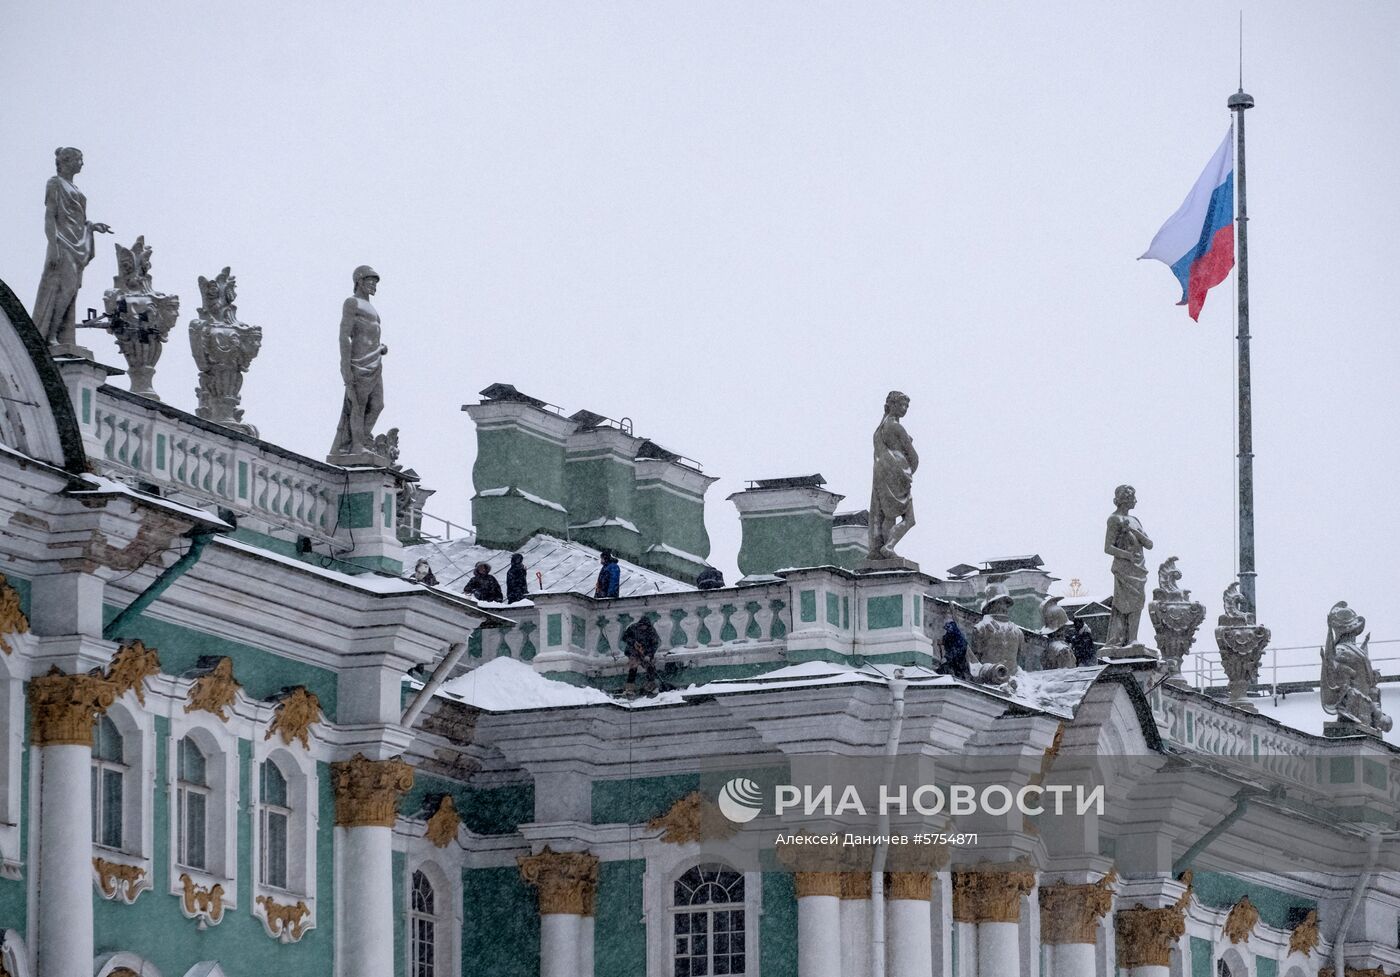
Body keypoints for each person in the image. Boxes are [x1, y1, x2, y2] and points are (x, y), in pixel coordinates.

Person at [34, 147, 111, 346]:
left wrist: (92, 227)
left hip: (78, 243)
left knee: (72, 290)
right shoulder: (55, 183)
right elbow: (50, 216)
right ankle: (50, 335)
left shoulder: (75, 188)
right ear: (67, 161)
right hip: (63, 243)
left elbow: (78, 220)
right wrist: (53, 245)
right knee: (65, 289)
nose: (82, 164)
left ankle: (61, 335)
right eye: (79, 159)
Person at [329, 265, 388, 460]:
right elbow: (344, 335)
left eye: (375, 282)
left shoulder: (374, 309)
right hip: (359, 362)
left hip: (375, 360)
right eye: (370, 281)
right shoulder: (352, 303)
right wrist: (345, 366)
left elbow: (371, 335)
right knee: (358, 404)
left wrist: (381, 347)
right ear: (359, 281)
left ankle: (360, 439)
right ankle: (356, 445)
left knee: (378, 405)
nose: (374, 285)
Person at [868, 390, 918, 559]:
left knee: (886, 513)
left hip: (882, 471)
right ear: (892, 405)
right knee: (909, 519)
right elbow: (913, 455)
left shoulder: (879, 429)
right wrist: (909, 468)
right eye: (901, 404)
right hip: (898, 471)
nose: (905, 408)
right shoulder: (896, 427)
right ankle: (888, 546)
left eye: (907, 406)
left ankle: (881, 547)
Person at [1104, 484, 1153, 647]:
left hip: (1138, 567)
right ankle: (1122, 639)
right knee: (1123, 603)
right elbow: (1108, 547)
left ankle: (1133, 638)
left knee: (1138, 602)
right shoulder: (1114, 519)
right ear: (1124, 499)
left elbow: (1149, 544)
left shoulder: (1135, 520)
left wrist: (1134, 531)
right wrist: (1127, 555)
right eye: (1132, 497)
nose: (1135, 501)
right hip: (1124, 568)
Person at [620, 614, 661, 696]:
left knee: (650, 667)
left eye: (645, 626)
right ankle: (629, 688)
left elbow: (654, 645)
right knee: (633, 667)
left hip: (645, 652)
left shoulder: (651, 631)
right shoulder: (633, 628)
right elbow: (624, 637)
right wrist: (633, 642)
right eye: (642, 626)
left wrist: (648, 655)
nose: (643, 628)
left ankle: (650, 686)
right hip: (633, 652)